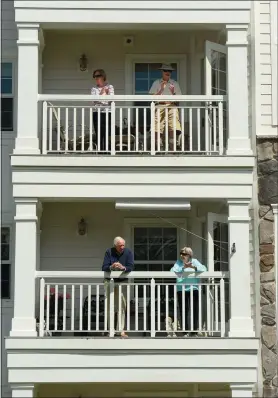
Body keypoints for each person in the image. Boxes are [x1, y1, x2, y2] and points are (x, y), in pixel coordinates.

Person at [102, 236, 134, 338]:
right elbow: (104, 267)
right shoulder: (109, 252)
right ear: (115, 245)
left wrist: (123, 268)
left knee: (122, 306)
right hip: (109, 282)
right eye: (120, 246)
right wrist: (112, 266)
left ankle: (121, 331)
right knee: (109, 306)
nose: (122, 247)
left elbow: (131, 266)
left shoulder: (128, 252)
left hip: (122, 282)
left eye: (123, 245)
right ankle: (110, 330)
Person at [171, 247, 207, 337]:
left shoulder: (194, 261)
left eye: (184, 254)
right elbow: (172, 271)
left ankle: (194, 331)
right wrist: (183, 268)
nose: (182, 256)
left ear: (189, 255)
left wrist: (192, 267)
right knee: (183, 311)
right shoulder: (178, 263)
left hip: (193, 288)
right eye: (181, 254)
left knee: (195, 310)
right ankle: (185, 331)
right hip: (181, 289)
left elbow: (204, 269)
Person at [149, 63, 182, 151]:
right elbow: (151, 97)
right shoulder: (156, 82)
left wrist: (172, 92)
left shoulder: (174, 83)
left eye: (169, 71)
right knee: (157, 124)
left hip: (171, 105)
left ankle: (173, 146)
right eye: (166, 71)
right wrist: (161, 90)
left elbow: (179, 98)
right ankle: (158, 146)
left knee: (173, 124)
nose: (168, 72)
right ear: (162, 72)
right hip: (160, 105)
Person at [91, 69, 114, 152]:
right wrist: (102, 93)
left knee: (107, 133)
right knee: (99, 134)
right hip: (97, 113)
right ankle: (100, 152)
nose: (96, 78)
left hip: (107, 112)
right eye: (95, 76)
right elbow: (94, 101)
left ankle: (107, 152)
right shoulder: (94, 89)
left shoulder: (110, 87)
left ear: (103, 76)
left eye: (98, 76)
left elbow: (111, 99)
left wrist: (105, 95)